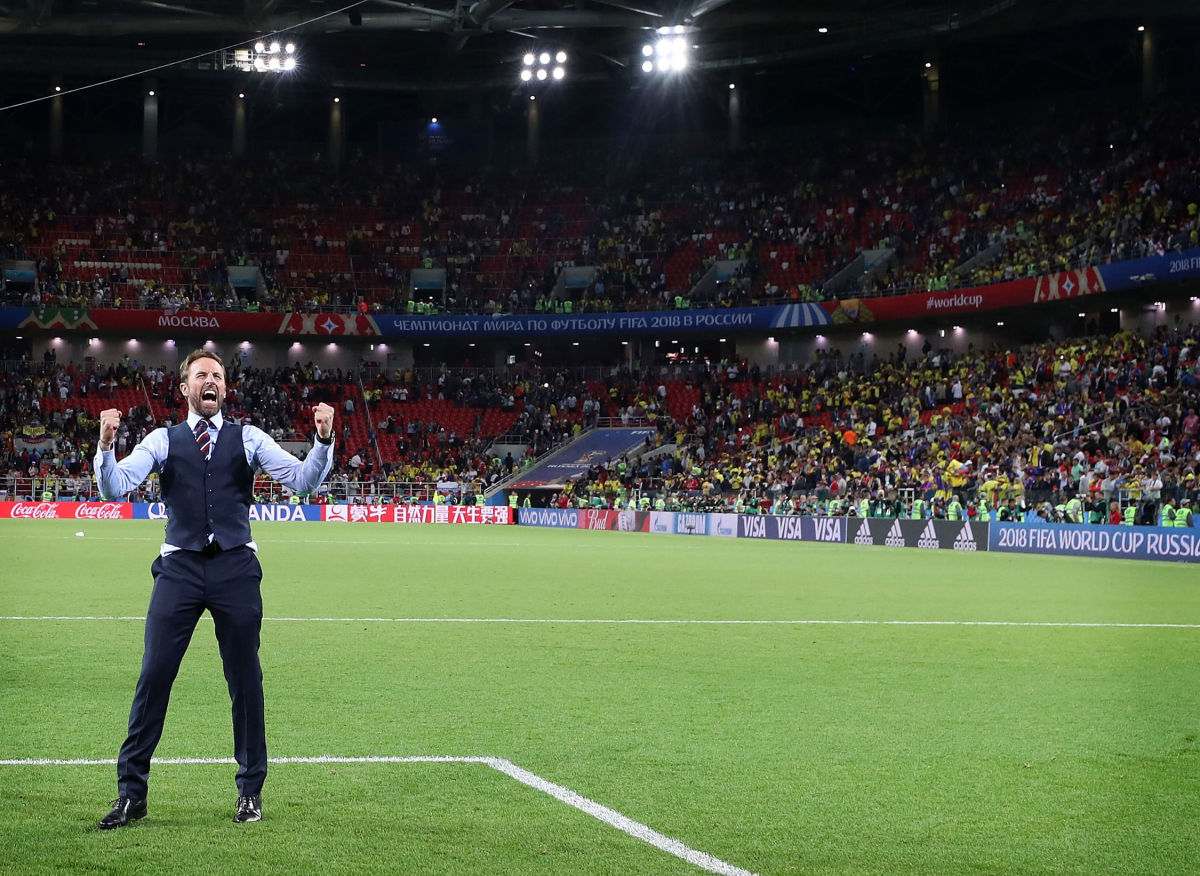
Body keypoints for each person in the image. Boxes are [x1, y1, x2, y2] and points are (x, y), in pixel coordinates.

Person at [93, 349, 335, 829]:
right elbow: (116, 489)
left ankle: (250, 792)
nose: (211, 381)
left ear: (225, 389)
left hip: (235, 567)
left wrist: (323, 441)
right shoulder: (162, 440)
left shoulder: (250, 438)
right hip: (178, 568)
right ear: (184, 388)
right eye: (201, 374)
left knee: (246, 682)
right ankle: (131, 795)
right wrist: (105, 447)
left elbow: (302, 483)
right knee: (154, 677)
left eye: (218, 376)